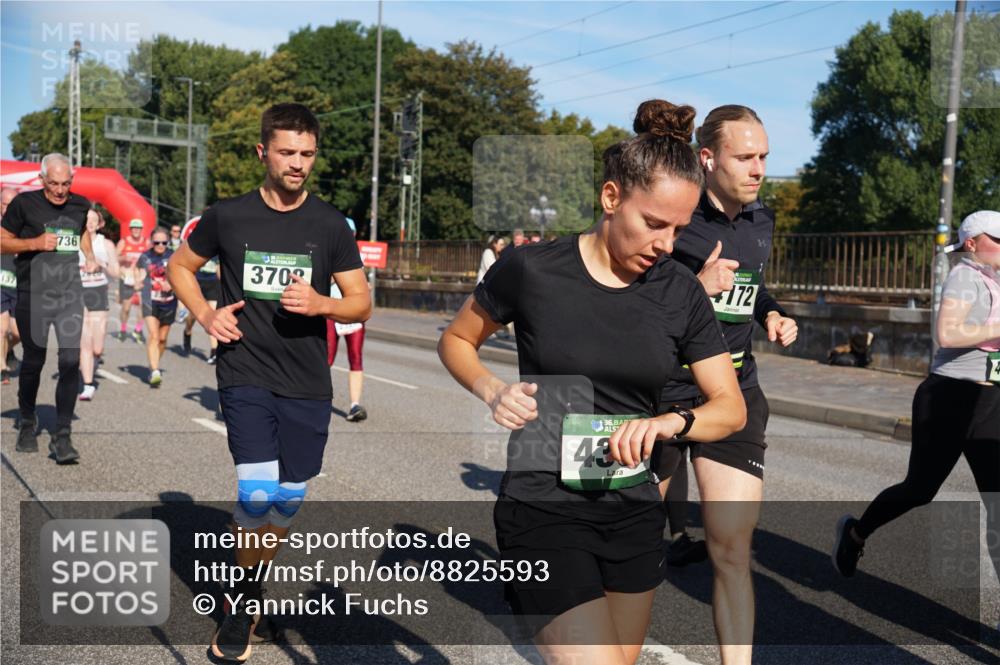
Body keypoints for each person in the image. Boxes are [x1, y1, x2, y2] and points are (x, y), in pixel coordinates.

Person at [438, 99, 746, 665]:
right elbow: (457, 340)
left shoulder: (680, 291)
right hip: (543, 505)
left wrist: (669, 423)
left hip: (633, 507)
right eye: (653, 223)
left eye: (679, 229)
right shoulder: (532, 269)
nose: (666, 244)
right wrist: (492, 389)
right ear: (610, 198)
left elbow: (729, 407)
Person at [168, 102, 370, 662]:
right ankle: (240, 605)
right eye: (286, 152)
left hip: (307, 381)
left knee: (286, 501)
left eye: (307, 154)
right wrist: (206, 314)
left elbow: (361, 303)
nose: (298, 163)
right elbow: (180, 267)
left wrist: (323, 303)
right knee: (256, 492)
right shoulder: (228, 216)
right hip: (245, 371)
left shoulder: (329, 225)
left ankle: (250, 585)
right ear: (263, 152)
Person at [655, 104, 797, 665]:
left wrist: (772, 313)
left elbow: (751, 286)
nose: (758, 169)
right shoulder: (673, 215)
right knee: (631, 547)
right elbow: (630, 300)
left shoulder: (761, 220)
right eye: (745, 157)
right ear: (708, 158)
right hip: (659, 393)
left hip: (733, 395)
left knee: (733, 551)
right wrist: (696, 284)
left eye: (764, 157)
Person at [833, 211, 999, 583]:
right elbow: (948, 334)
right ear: (972, 243)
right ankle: (856, 533)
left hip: (990, 403)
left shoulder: (995, 279)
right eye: (998, 239)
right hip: (949, 399)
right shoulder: (963, 277)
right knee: (920, 490)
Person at [0, 153, 97, 464]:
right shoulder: (23, 204)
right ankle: (28, 422)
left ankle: (62, 435)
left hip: (69, 294)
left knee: (69, 360)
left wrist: (89, 255)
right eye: (53, 183)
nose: (59, 190)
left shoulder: (80, 204)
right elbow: (2, 241)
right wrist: (34, 243)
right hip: (33, 294)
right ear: (42, 179)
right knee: (34, 360)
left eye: (65, 183)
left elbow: (82, 231)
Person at [326, 216, 369, 422]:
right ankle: (316, 398)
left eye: (351, 233)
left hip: (352, 314)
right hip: (330, 311)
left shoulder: (357, 256)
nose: (348, 237)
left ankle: (354, 405)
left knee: (356, 357)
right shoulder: (327, 252)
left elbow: (362, 287)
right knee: (326, 358)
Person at [78, 209, 120, 400]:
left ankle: (94, 361)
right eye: (86, 219)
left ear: (100, 224)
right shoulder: (74, 241)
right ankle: (88, 385)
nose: (90, 223)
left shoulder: (106, 244)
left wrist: (102, 263)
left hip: (98, 292)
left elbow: (116, 273)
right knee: (84, 342)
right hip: (77, 292)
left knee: (97, 348)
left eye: (94, 220)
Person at [136, 227, 176, 386]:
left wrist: (171, 283)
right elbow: (138, 272)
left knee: (162, 339)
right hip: (150, 300)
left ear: (168, 242)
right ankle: (154, 370)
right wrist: (138, 281)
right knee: (153, 335)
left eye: (164, 242)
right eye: (157, 242)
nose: (160, 245)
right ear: (152, 242)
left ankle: (154, 363)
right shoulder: (145, 256)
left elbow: (183, 275)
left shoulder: (174, 256)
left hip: (169, 301)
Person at [116, 218, 149, 343]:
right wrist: (124, 258)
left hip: (141, 278)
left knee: (142, 306)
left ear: (141, 230)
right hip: (127, 278)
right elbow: (114, 257)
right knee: (126, 308)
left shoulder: (146, 243)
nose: (136, 230)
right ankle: (123, 329)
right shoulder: (123, 242)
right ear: (130, 229)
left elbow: (150, 259)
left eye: (138, 228)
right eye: (134, 228)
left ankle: (138, 330)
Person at [1, 187, 22, 384]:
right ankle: (2, 369)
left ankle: (7, 351)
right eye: (5, 204)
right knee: (2, 329)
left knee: (18, 333)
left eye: (12, 204)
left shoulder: (26, 227)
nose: (8, 208)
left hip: (18, 284)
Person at [183, 252, 220, 364]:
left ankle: (214, 351)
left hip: (213, 283)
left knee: (212, 315)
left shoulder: (219, 250)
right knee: (193, 316)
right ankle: (187, 331)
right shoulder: (199, 247)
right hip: (198, 282)